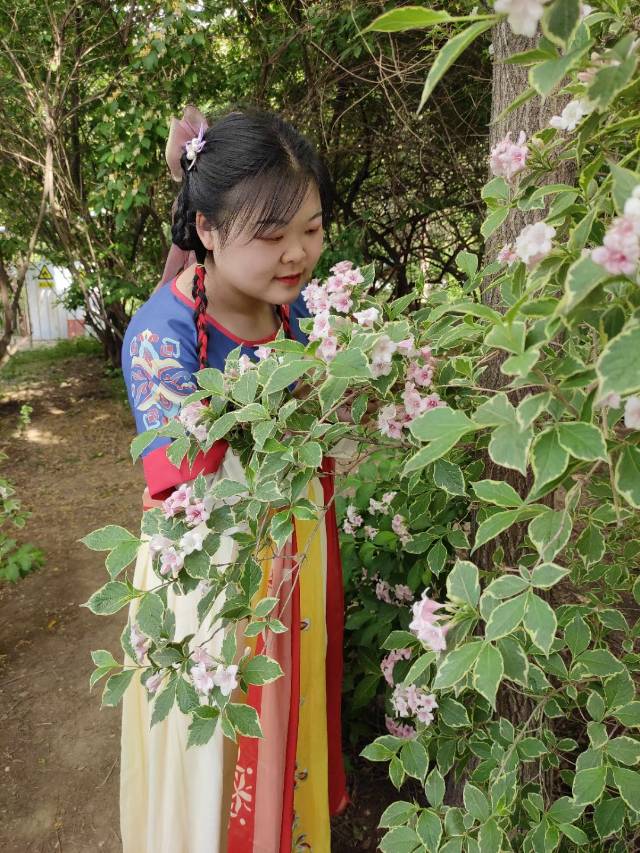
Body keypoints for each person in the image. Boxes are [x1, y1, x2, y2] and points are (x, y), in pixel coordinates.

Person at [119, 105, 351, 853]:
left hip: (293, 554)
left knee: (292, 714)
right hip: (211, 580)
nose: (297, 254)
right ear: (208, 231)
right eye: (272, 234)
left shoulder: (297, 307)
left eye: (311, 229)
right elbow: (181, 480)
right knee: (215, 750)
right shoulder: (160, 336)